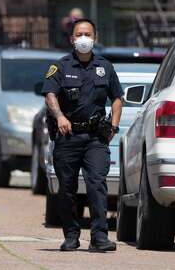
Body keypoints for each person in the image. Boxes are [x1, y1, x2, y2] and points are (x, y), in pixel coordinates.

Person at [42, 18, 123, 252]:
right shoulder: (61, 66)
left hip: (95, 138)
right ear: (72, 39)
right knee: (67, 188)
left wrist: (114, 127)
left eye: (88, 34)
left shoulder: (105, 67)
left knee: (97, 184)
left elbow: (117, 98)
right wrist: (59, 116)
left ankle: (99, 237)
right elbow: (50, 95)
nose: (84, 38)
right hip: (68, 137)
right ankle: (71, 235)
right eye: (79, 34)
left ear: (95, 38)